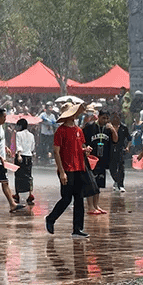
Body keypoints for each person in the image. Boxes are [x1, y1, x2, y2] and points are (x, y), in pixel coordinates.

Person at [45, 102, 92, 238]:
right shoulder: (60, 131)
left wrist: (85, 150)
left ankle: (77, 229)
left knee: (79, 199)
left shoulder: (78, 130)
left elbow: (79, 148)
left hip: (79, 168)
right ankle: (51, 218)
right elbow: (56, 152)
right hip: (67, 169)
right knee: (66, 198)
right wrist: (62, 172)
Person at [13, 118, 36, 206]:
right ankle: (30, 195)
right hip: (29, 157)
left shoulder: (18, 134)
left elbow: (19, 145)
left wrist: (19, 155)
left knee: (18, 176)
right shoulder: (31, 135)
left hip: (21, 156)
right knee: (28, 176)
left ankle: (17, 195)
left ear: (20, 126)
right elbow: (32, 147)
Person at [108, 112, 130, 192]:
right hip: (110, 150)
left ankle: (121, 184)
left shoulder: (124, 127)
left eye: (117, 117)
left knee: (121, 167)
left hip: (121, 149)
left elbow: (129, 139)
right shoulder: (108, 127)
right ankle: (116, 181)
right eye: (114, 117)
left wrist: (127, 147)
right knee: (112, 168)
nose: (115, 119)